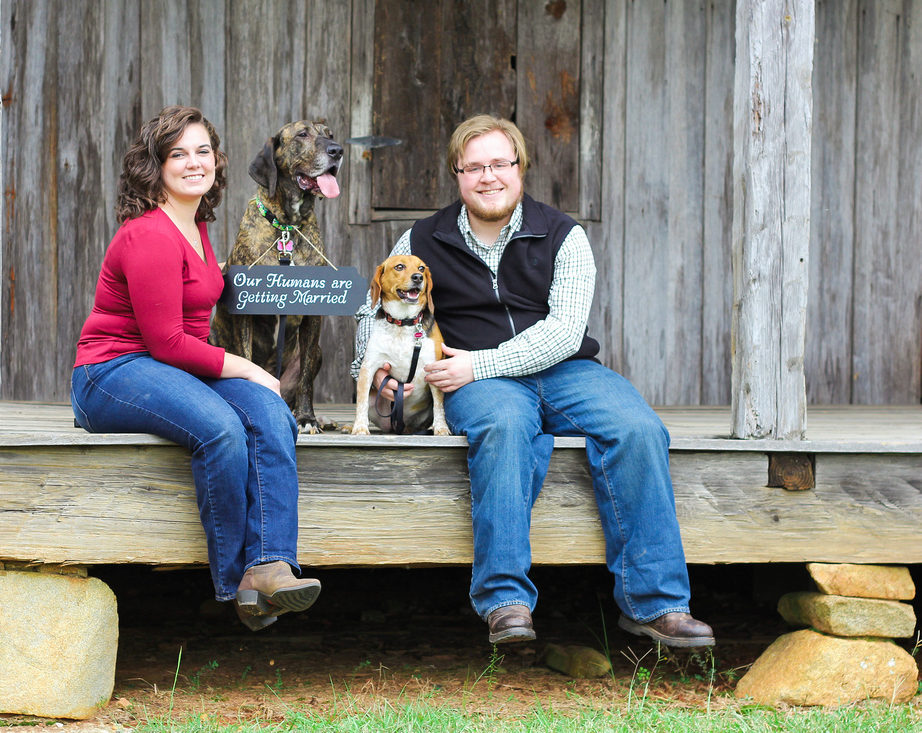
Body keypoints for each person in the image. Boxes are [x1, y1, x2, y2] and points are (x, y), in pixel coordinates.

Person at [351, 115, 713, 647]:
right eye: (473, 166)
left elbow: (565, 332)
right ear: (457, 174)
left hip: (559, 371)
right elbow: (370, 313)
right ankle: (506, 602)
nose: (487, 176)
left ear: (520, 168)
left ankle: (656, 605)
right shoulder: (424, 236)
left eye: (500, 163)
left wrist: (480, 363)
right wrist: (381, 373)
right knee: (505, 427)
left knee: (638, 428)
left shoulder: (564, 233)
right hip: (480, 384)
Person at [72, 106, 320, 631]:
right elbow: (165, 341)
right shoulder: (150, 235)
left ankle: (272, 565)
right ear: (155, 166)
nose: (194, 163)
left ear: (217, 161)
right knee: (222, 428)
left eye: (202, 151)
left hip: (173, 366)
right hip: (112, 371)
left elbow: (192, 309)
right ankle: (236, 583)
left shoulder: (197, 225)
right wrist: (247, 368)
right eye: (178, 154)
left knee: (273, 414)